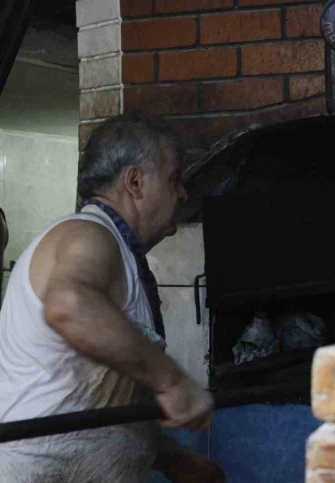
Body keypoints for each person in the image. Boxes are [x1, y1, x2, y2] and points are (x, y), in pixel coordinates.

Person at [0, 111, 225, 482]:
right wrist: (171, 381)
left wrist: (170, 458)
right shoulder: (89, 235)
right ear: (135, 182)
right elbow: (69, 305)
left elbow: (92, 397)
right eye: (173, 180)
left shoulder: (118, 251)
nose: (183, 193)